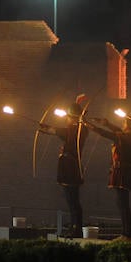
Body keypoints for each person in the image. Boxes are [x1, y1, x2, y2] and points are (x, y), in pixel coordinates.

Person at [38, 98, 90, 238]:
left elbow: (59, 131)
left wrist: (48, 129)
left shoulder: (76, 130)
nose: (66, 119)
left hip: (71, 168)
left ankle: (76, 228)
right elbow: (60, 132)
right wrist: (47, 129)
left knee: (73, 200)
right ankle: (75, 227)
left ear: (71, 118)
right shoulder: (76, 130)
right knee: (71, 200)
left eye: (68, 117)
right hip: (69, 167)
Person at [89, 115, 131, 239]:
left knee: (123, 203)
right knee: (121, 203)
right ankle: (126, 233)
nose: (123, 124)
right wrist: (106, 123)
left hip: (125, 172)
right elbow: (118, 132)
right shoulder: (130, 135)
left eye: (125, 122)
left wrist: (92, 127)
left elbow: (113, 135)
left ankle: (127, 234)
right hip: (122, 171)